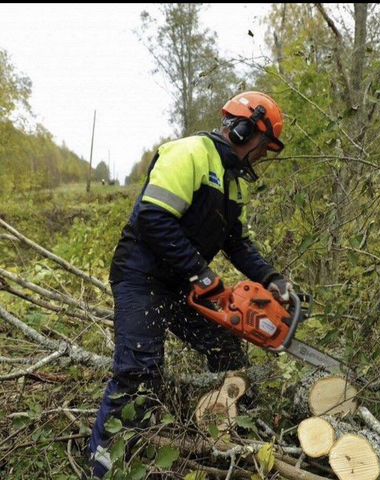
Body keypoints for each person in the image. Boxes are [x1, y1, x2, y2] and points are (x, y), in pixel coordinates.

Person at [88, 91, 292, 478]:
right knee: (139, 370)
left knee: (224, 342)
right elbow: (153, 218)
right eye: (263, 147)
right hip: (141, 274)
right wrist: (202, 273)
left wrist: (271, 278)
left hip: (181, 280)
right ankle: (104, 461)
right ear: (244, 130)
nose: (263, 156)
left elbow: (235, 242)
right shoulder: (190, 153)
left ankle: (232, 426)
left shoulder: (234, 183)